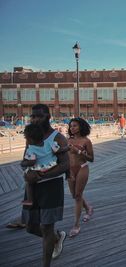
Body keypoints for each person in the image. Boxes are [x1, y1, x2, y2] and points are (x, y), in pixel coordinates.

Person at [22, 104, 69, 266]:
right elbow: (26, 159)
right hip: (32, 186)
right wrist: (27, 172)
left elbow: (65, 164)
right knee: (30, 226)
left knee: (46, 227)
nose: (35, 119)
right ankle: (57, 238)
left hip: (51, 187)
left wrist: (42, 175)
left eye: (39, 116)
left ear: (48, 116)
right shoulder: (32, 136)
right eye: (33, 116)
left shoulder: (57, 138)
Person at [21, 124, 68, 206]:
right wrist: (67, 148)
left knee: (28, 182)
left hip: (39, 169)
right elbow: (58, 150)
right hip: (52, 166)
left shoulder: (31, 149)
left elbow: (32, 162)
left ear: (30, 139)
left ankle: (29, 200)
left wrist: (23, 163)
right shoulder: (50, 142)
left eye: (26, 138)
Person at [67, 118, 94, 237]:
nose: (72, 128)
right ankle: (88, 208)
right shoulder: (67, 140)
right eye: (71, 126)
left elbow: (91, 158)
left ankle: (76, 225)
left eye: (75, 126)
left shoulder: (86, 141)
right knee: (74, 195)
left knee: (77, 196)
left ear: (81, 127)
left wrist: (78, 152)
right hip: (70, 170)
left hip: (82, 167)